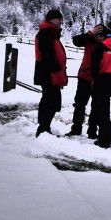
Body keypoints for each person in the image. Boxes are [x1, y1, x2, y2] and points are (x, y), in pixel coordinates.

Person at [33, 8, 68, 137]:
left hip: (51, 73)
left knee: (49, 101)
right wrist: (56, 67)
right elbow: (47, 55)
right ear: (51, 19)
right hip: (48, 74)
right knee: (51, 101)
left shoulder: (51, 33)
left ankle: (44, 127)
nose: (61, 21)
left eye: (61, 19)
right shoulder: (46, 33)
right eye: (58, 19)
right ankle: (43, 129)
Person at [68, 24, 104, 137]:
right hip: (85, 77)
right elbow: (76, 41)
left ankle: (92, 131)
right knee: (79, 104)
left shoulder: (106, 45)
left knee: (96, 106)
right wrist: (90, 33)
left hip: (98, 79)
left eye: (101, 35)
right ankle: (76, 129)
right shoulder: (88, 40)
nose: (99, 37)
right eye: (97, 35)